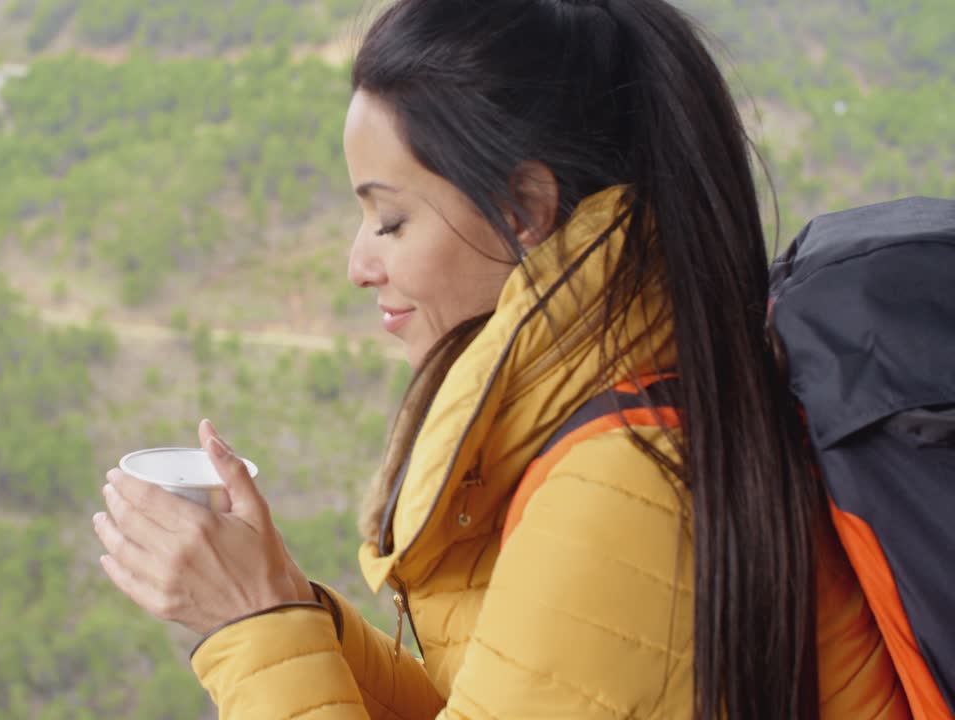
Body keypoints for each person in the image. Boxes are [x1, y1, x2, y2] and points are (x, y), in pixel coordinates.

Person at [92, 0, 912, 717]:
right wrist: (281, 602)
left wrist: (254, 627)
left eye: (389, 222)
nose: (358, 264)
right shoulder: (611, 413)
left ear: (524, 210)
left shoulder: (629, 486)